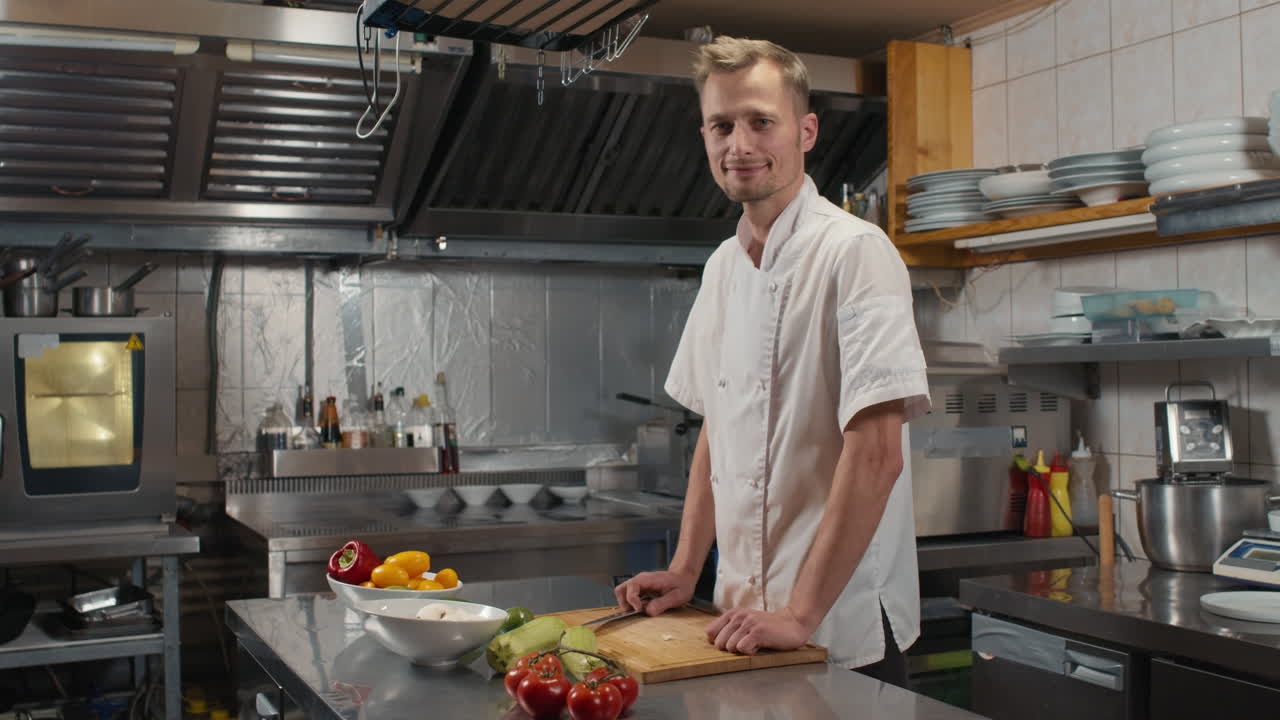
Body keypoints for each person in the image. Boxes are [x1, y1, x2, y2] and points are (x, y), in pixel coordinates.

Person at [613, 36, 930, 688]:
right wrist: (683, 568)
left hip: (839, 630)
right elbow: (716, 430)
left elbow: (877, 453)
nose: (740, 144)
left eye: (761, 121)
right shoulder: (723, 268)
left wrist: (800, 612)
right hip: (740, 622)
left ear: (806, 130)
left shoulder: (854, 254)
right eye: (722, 125)